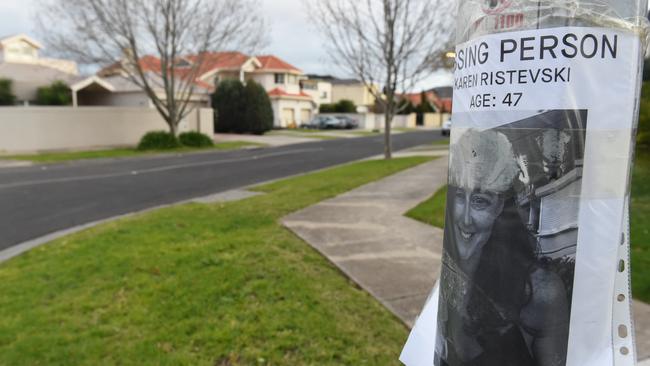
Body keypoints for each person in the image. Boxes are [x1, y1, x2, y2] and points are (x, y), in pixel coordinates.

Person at [435, 129, 570, 366]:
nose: (465, 218)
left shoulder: (540, 292)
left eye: (480, 201)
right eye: (459, 196)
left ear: (500, 207)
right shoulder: (450, 263)